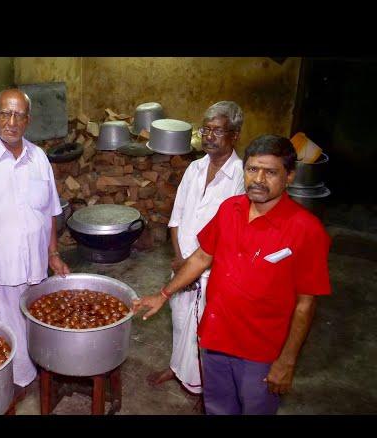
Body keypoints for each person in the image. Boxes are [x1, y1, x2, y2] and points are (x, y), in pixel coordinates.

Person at [133, 135, 331, 415]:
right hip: (214, 338)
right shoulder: (230, 209)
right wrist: (163, 294)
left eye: (271, 172)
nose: (259, 179)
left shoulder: (306, 231)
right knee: (218, 408)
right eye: (252, 169)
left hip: (260, 352)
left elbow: (305, 303)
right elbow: (202, 257)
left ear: (289, 176)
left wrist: (287, 361)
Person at [0, 88, 70, 395]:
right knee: (5, 332)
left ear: (27, 120)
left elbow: (50, 211)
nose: (11, 121)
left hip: (35, 267)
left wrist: (53, 253)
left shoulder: (39, 158)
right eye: (5, 113)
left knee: (36, 325)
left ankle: (36, 375)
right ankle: (12, 385)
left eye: (19, 115)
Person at [147, 101, 246, 396]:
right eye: (206, 129)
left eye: (218, 130)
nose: (209, 136)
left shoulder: (241, 176)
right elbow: (176, 217)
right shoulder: (194, 168)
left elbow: (234, 236)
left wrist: (194, 262)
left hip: (214, 270)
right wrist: (179, 257)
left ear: (235, 135)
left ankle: (206, 388)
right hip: (183, 265)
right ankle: (177, 369)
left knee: (208, 332)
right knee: (180, 321)